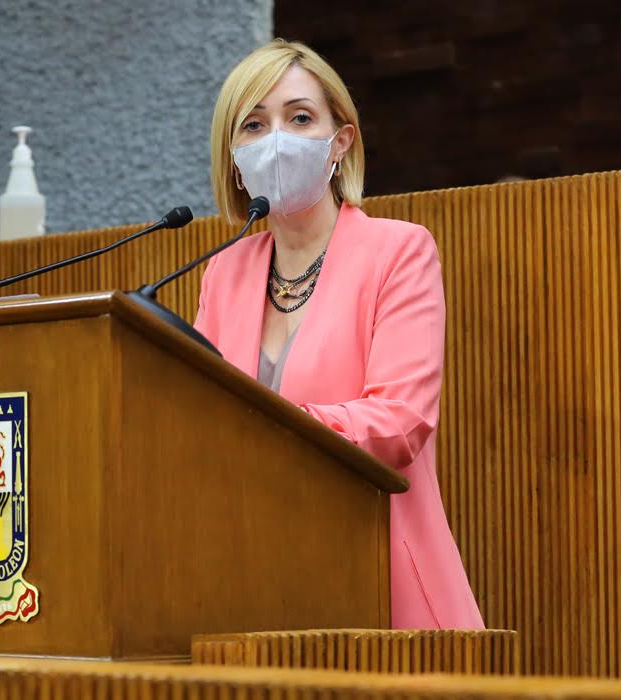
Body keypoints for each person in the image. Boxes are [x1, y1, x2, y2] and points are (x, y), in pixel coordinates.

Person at [194, 39, 484, 629]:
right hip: (254, 585)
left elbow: (400, 420)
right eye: (254, 125)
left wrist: (263, 427)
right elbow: (193, 419)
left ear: (340, 141)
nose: (277, 139)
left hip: (378, 579)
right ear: (234, 157)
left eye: (300, 118)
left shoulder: (397, 251)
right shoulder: (225, 272)